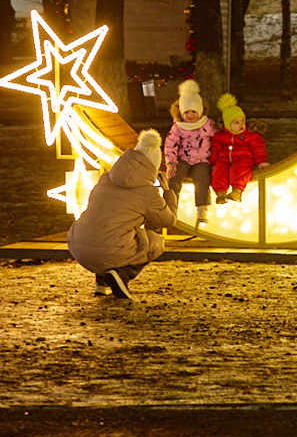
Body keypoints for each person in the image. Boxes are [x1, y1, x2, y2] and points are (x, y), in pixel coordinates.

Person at [67, 129, 177, 299]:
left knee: (109, 231)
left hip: (76, 244)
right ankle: (122, 274)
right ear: (153, 167)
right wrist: (168, 192)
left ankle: (102, 283)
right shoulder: (147, 192)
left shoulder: (105, 178)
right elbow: (169, 220)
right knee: (155, 242)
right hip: (108, 249)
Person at [164, 79, 215, 223]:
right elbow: (170, 144)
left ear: (200, 110)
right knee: (173, 178)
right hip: (183, 160)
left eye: (194, 111)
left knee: (202, 179)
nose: (190, 115)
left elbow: (218, 139)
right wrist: (171, 163)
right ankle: (170, 207)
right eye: (186, 112)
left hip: (201, 160)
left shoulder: (208, 125)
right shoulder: (178, 127)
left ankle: (202, 209)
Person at [211, 93, 269, 204]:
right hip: (224, 159)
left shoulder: (249, 135)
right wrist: (213, 162)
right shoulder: (221, 136)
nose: (241, 124)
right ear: (228, 125)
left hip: (243, 158)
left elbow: (258, 148)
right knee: (219, 170)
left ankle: (237, 190)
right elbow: (215, 148)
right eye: (236, 122)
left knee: (240, 169)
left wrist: (262, 162)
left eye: (242, 121)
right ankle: (220, 193)